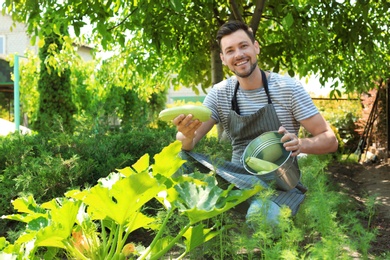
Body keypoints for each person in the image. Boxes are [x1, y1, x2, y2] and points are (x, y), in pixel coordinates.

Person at [172, 20, 338, 225]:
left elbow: (330, 140)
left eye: (243, 46)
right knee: (180, 159)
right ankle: (197, 227)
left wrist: (301, 144)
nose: (239, 55)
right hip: (235, 179)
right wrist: (186, 134)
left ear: (256, 47)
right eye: (230, 50)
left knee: (261, 219)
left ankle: (259, 217)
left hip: (279, 184)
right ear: (223, 59)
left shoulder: (288, 88)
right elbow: (187, 144)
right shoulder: (220, 93)